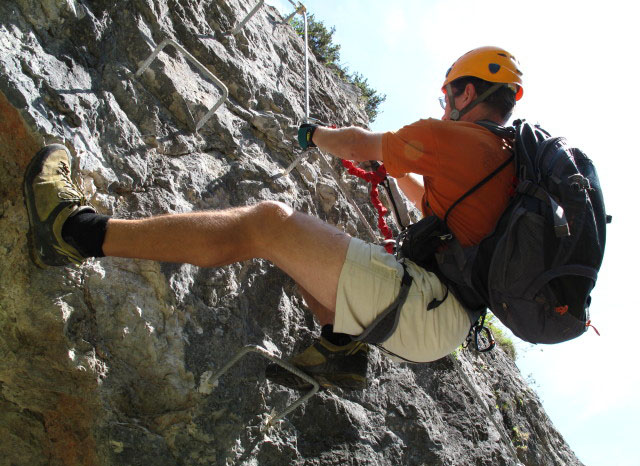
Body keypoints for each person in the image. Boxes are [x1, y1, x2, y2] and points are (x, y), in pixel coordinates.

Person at [23, 46, 523, 391]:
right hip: (441, 321)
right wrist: (389, 169)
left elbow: (354, 142)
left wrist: (317, 137)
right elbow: (429, 204)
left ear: (466, 92)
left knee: (269, 225)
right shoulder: (499, 159)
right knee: (311, 250)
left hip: (423, 305)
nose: (444, 106)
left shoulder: (457, 139)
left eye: (447, 95)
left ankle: (72, 232)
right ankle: (341, 347)